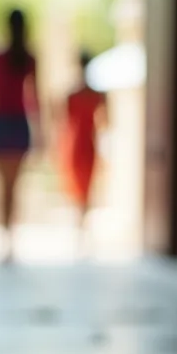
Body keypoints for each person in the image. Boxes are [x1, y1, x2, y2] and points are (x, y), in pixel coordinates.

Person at [0, 9, 40, 261]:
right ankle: (10, 239)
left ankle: (6, 237)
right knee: (14, 186)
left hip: (3, 123)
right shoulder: (28, 57)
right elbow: (35, 97)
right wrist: (41, 132)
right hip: (18, 124)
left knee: (3, 185)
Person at [56, 51, 108, 247]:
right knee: (82, 183)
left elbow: (64, 121)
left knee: (81, 183)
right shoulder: (96, 94)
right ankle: (82, 224)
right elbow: (106, 121)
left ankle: (81, 224)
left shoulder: (74, 94)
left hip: (78, 142)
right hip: (86, 142)